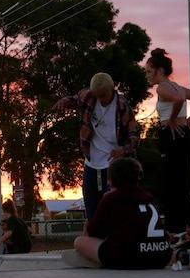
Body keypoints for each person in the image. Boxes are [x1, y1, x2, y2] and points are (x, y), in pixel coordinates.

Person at [51, 72, 140, 221]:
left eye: (103, 96)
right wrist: (63, 102)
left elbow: (134, 137)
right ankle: (96, 239)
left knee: (114, 208)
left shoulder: (122, 106)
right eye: (97, 96)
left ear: (112, 89)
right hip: (92, 163)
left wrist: (122, 150)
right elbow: (73, 100)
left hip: (113, 164)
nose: (100, 100)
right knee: (92, 209)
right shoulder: (88, 96)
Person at [145, 48, 190, 234]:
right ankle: (186, 225)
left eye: (149, 72)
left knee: (171, 184)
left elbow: (178, 100)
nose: (147, 76)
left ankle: (175, 229)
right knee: (182, 183)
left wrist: (175, 118)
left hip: (172, 135)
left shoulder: (163, 87)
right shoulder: (178, 86)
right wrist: (189, 120)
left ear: (160, 71)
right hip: (185, 135)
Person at [62, 157, 171, 269]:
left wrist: (88, 226)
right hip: (161, 256)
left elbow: (94, 234)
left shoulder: (112, 199)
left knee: (79, 241)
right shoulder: (149, 200)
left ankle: (93, 260)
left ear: (110, 180)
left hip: (129, 258)